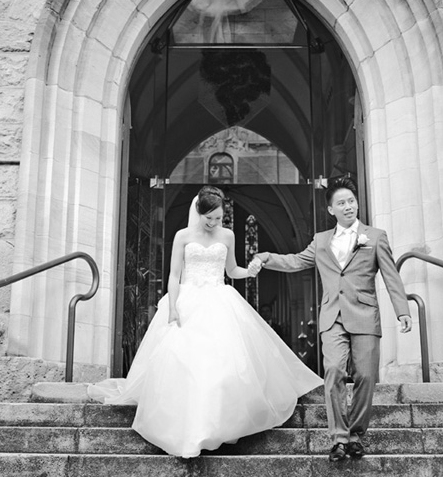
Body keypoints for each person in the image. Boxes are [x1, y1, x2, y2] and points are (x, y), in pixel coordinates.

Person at [88, 185, 322, 458]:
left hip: (219, 298)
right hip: (188, 299)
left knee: (224, 364)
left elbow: (232, 270)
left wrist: (251, 271)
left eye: (218, 218)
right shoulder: (183, 236)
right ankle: (187, 426)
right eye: (208, 218)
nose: (213, 223)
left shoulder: (228, 235)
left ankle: (219, 424)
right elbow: (174, 275)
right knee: (185, 363)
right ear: (198, 212)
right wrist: (173, 306)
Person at [249, 176, 412, 462]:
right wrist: (266, 257)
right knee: (334, 370)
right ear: (331, 210)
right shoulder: (321, 241)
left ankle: (356, 434)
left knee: (365, 375)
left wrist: (403, 310)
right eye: (341, 203)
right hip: (331, 317)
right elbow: (297, 261)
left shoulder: (375, 237)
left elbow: (390, 275)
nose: (348, 207)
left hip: (364, 314)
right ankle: (339, 438)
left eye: (351, 201)